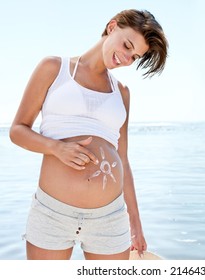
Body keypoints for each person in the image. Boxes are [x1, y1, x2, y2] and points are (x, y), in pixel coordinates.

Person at [9, 9, 168, 260]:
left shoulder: (122, 93)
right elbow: (17, 130)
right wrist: (56, 148)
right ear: (112, 26)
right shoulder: (54, 68)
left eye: (134, 56)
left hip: (110, 219)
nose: (126, 58)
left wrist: (135, 222)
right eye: (127, 45)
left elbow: (123, 159)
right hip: (53, 213)